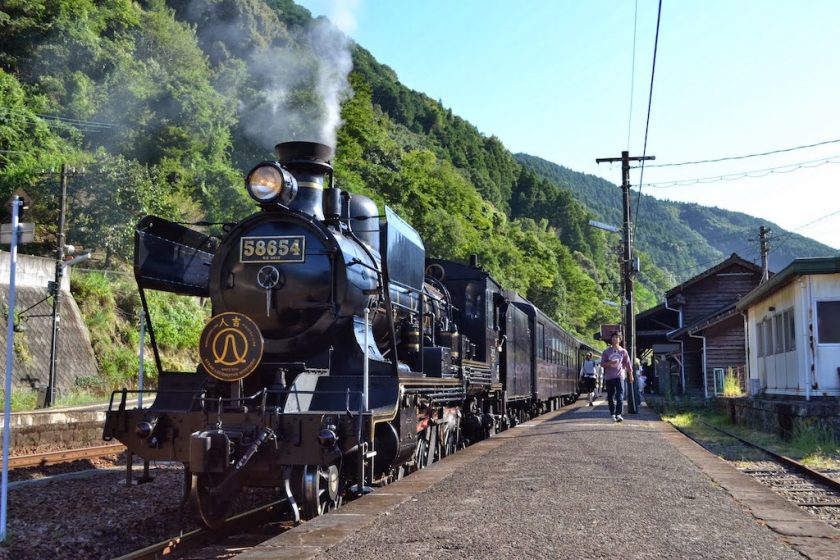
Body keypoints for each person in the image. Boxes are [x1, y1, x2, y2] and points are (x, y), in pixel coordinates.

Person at [599, 332, 634, 422]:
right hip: (609, 377)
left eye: (617, 337)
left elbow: (628, 364)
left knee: (620, 395)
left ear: (620, 339)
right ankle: (612, 413)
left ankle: (618, 414)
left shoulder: (623, 351)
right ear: (611, 339)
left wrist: (631, 375)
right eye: (613, 337)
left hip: (620, 376)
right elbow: (602, 364)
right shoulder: (606, 352)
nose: (615, 339)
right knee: (610, 396)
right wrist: (610, 363)